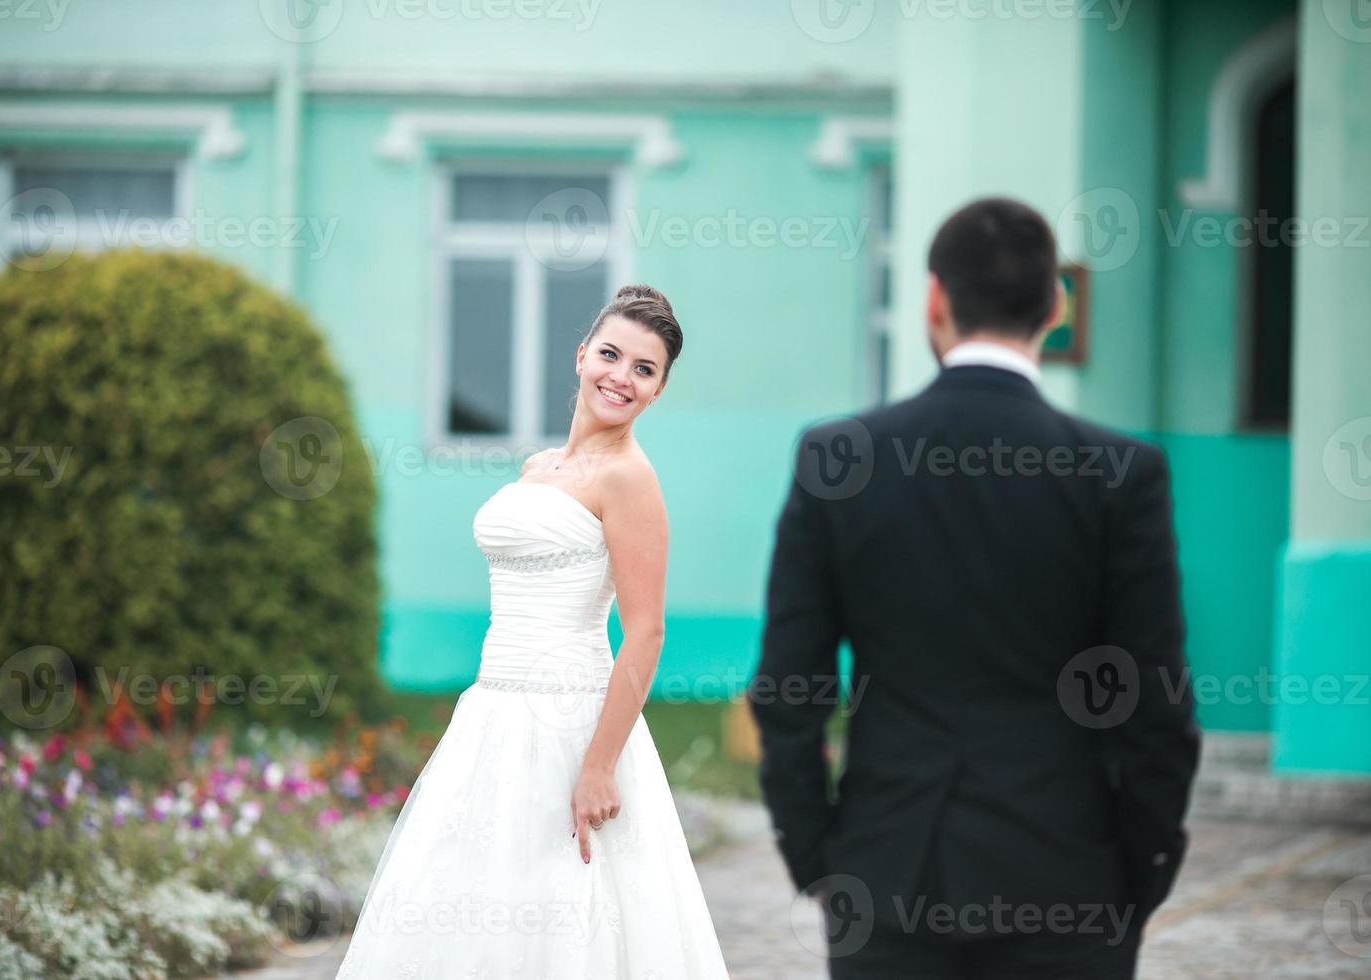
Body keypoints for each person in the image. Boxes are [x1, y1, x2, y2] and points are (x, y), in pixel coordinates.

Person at [750, 197, 1202, 978]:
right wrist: (1138, 871)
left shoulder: (839, 459)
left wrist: (819, 859)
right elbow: (1155, 702)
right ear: (1054, 305)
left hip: (886, 876)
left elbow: (789, 689)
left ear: (933, 300)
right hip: (1069, 877)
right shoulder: (1120, 472)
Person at [336, 285, 730, 978]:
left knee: (564, 912)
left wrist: (600, 765)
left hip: (572, 724)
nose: (622, 376)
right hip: (491, 713)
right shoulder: (537, 467)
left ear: (658, 391)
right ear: (581, 357)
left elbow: (645, 634)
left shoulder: (629, 480)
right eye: (611, 354)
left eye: (645, 369)